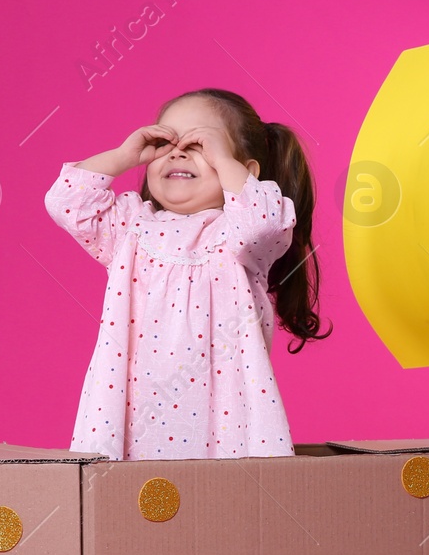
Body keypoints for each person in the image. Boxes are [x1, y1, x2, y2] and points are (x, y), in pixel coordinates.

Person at [45, 88, 329, 462]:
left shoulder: (239, 237)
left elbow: (265, 220)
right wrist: (122, 156)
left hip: (224, 417)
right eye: (167, 141)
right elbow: (66, 202)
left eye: (199, 144)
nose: (178, 151)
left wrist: (227, 163)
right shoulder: (130, 227)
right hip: (130, 414)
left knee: (224, 505)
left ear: (244, 172)